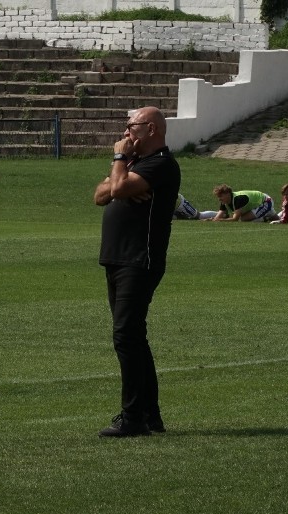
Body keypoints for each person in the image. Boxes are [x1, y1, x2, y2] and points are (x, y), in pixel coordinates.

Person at [93, 106, 180, 437]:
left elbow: (114, 190)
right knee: (134, 337)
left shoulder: (161, 164)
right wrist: (122, 175)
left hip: (139, 259)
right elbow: (100, 195)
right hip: (117, 259)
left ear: (152, 130)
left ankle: (132, 418)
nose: (126, 132)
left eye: (133, 126)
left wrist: (119, 166)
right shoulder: (134, 166)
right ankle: (150, 415)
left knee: (126, 336)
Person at [207, 184, 277, 222]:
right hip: (259, 203)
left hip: (266, 201)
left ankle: (264, 217)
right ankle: (268, 214)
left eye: (220, 196)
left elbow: (235, 219)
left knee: (243, 219)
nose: (219, 199)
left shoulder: (237, 199)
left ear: (227, 194)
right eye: (218, 197)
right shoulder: (224, 201)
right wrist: (212, 220)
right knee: (278, 220)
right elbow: (218, 217)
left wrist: (221, 220)